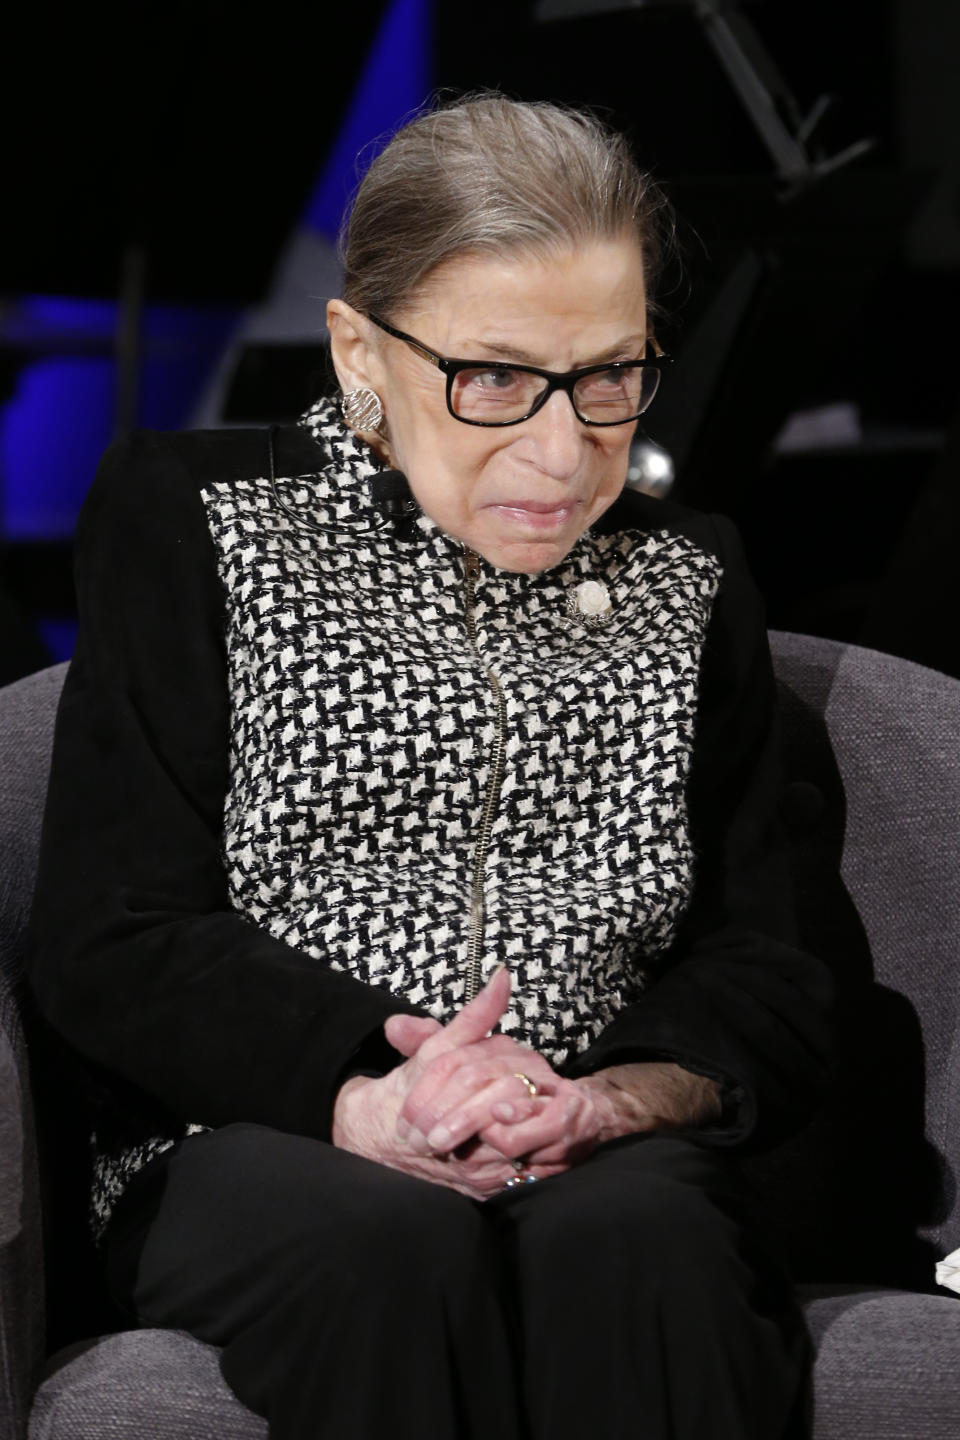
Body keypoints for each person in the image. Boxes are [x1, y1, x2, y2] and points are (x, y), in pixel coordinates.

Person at [29, 94, 833, 1439]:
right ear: (361, 351)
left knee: (641, 1250)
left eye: (612, 377)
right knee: (390, 1249)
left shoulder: (690, 580)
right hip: (259, 1139)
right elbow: (110, 933)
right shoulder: (196, 526)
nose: (564, 452)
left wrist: (610, 1100)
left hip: (597, 1141)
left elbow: (778, 960)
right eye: (497, 379)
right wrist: (362, 1090)